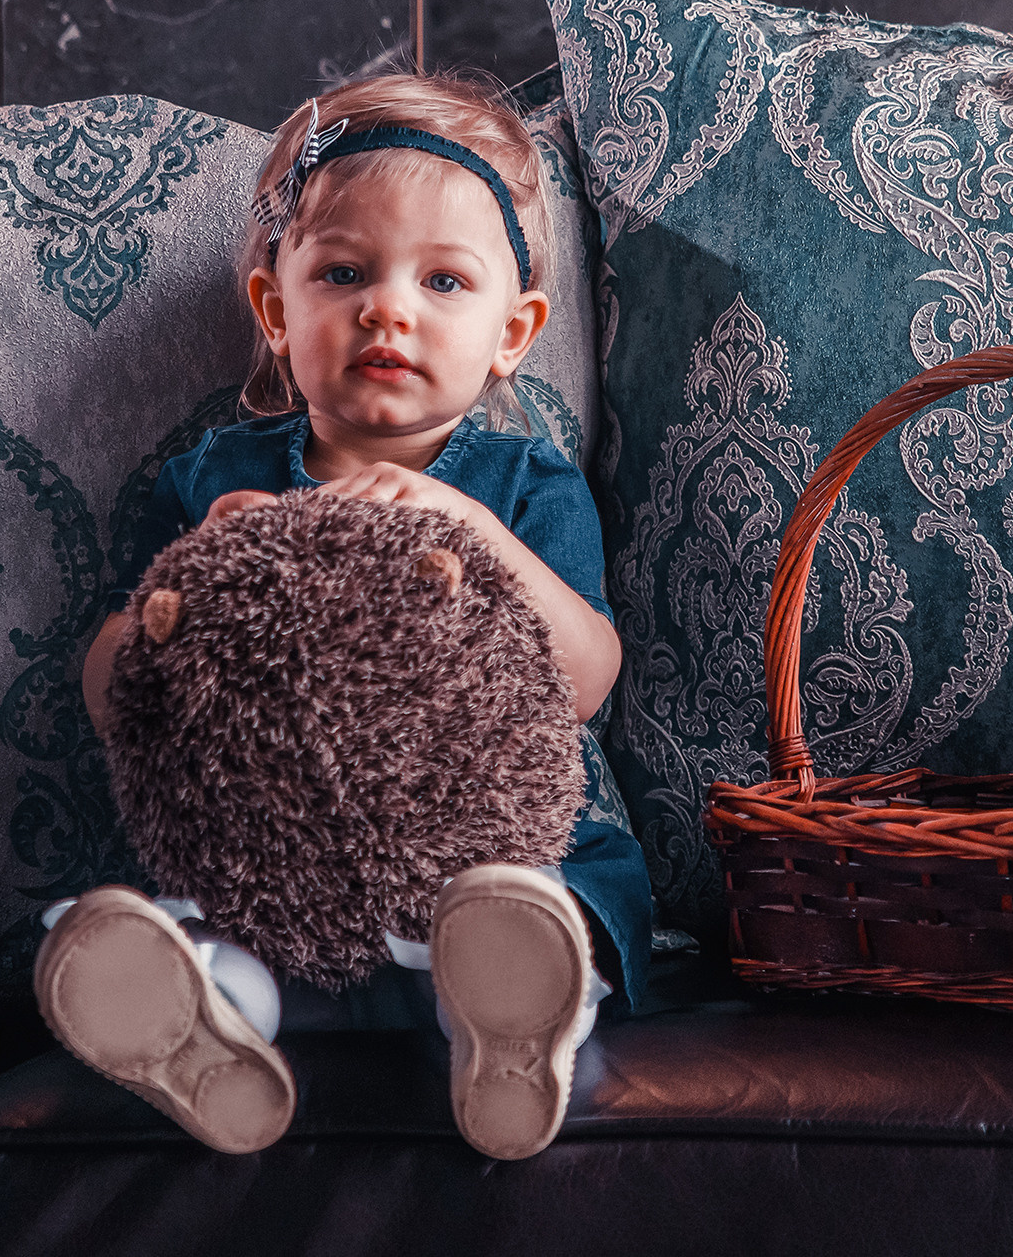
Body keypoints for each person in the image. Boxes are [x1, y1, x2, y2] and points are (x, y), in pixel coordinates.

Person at [33, 71, 652, 1161]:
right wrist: (200, 567)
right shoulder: (212, 477)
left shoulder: (522, 488)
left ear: (513, 334)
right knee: (179, 909)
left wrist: (462, 526)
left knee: (571, 888)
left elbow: (586, 681)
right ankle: (211, 1029)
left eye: (444, 281)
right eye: (344, 272)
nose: (388, 308)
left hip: (486, 852)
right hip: (274, 856)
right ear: (278, 310)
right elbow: (105, 693)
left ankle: (510, 1024)